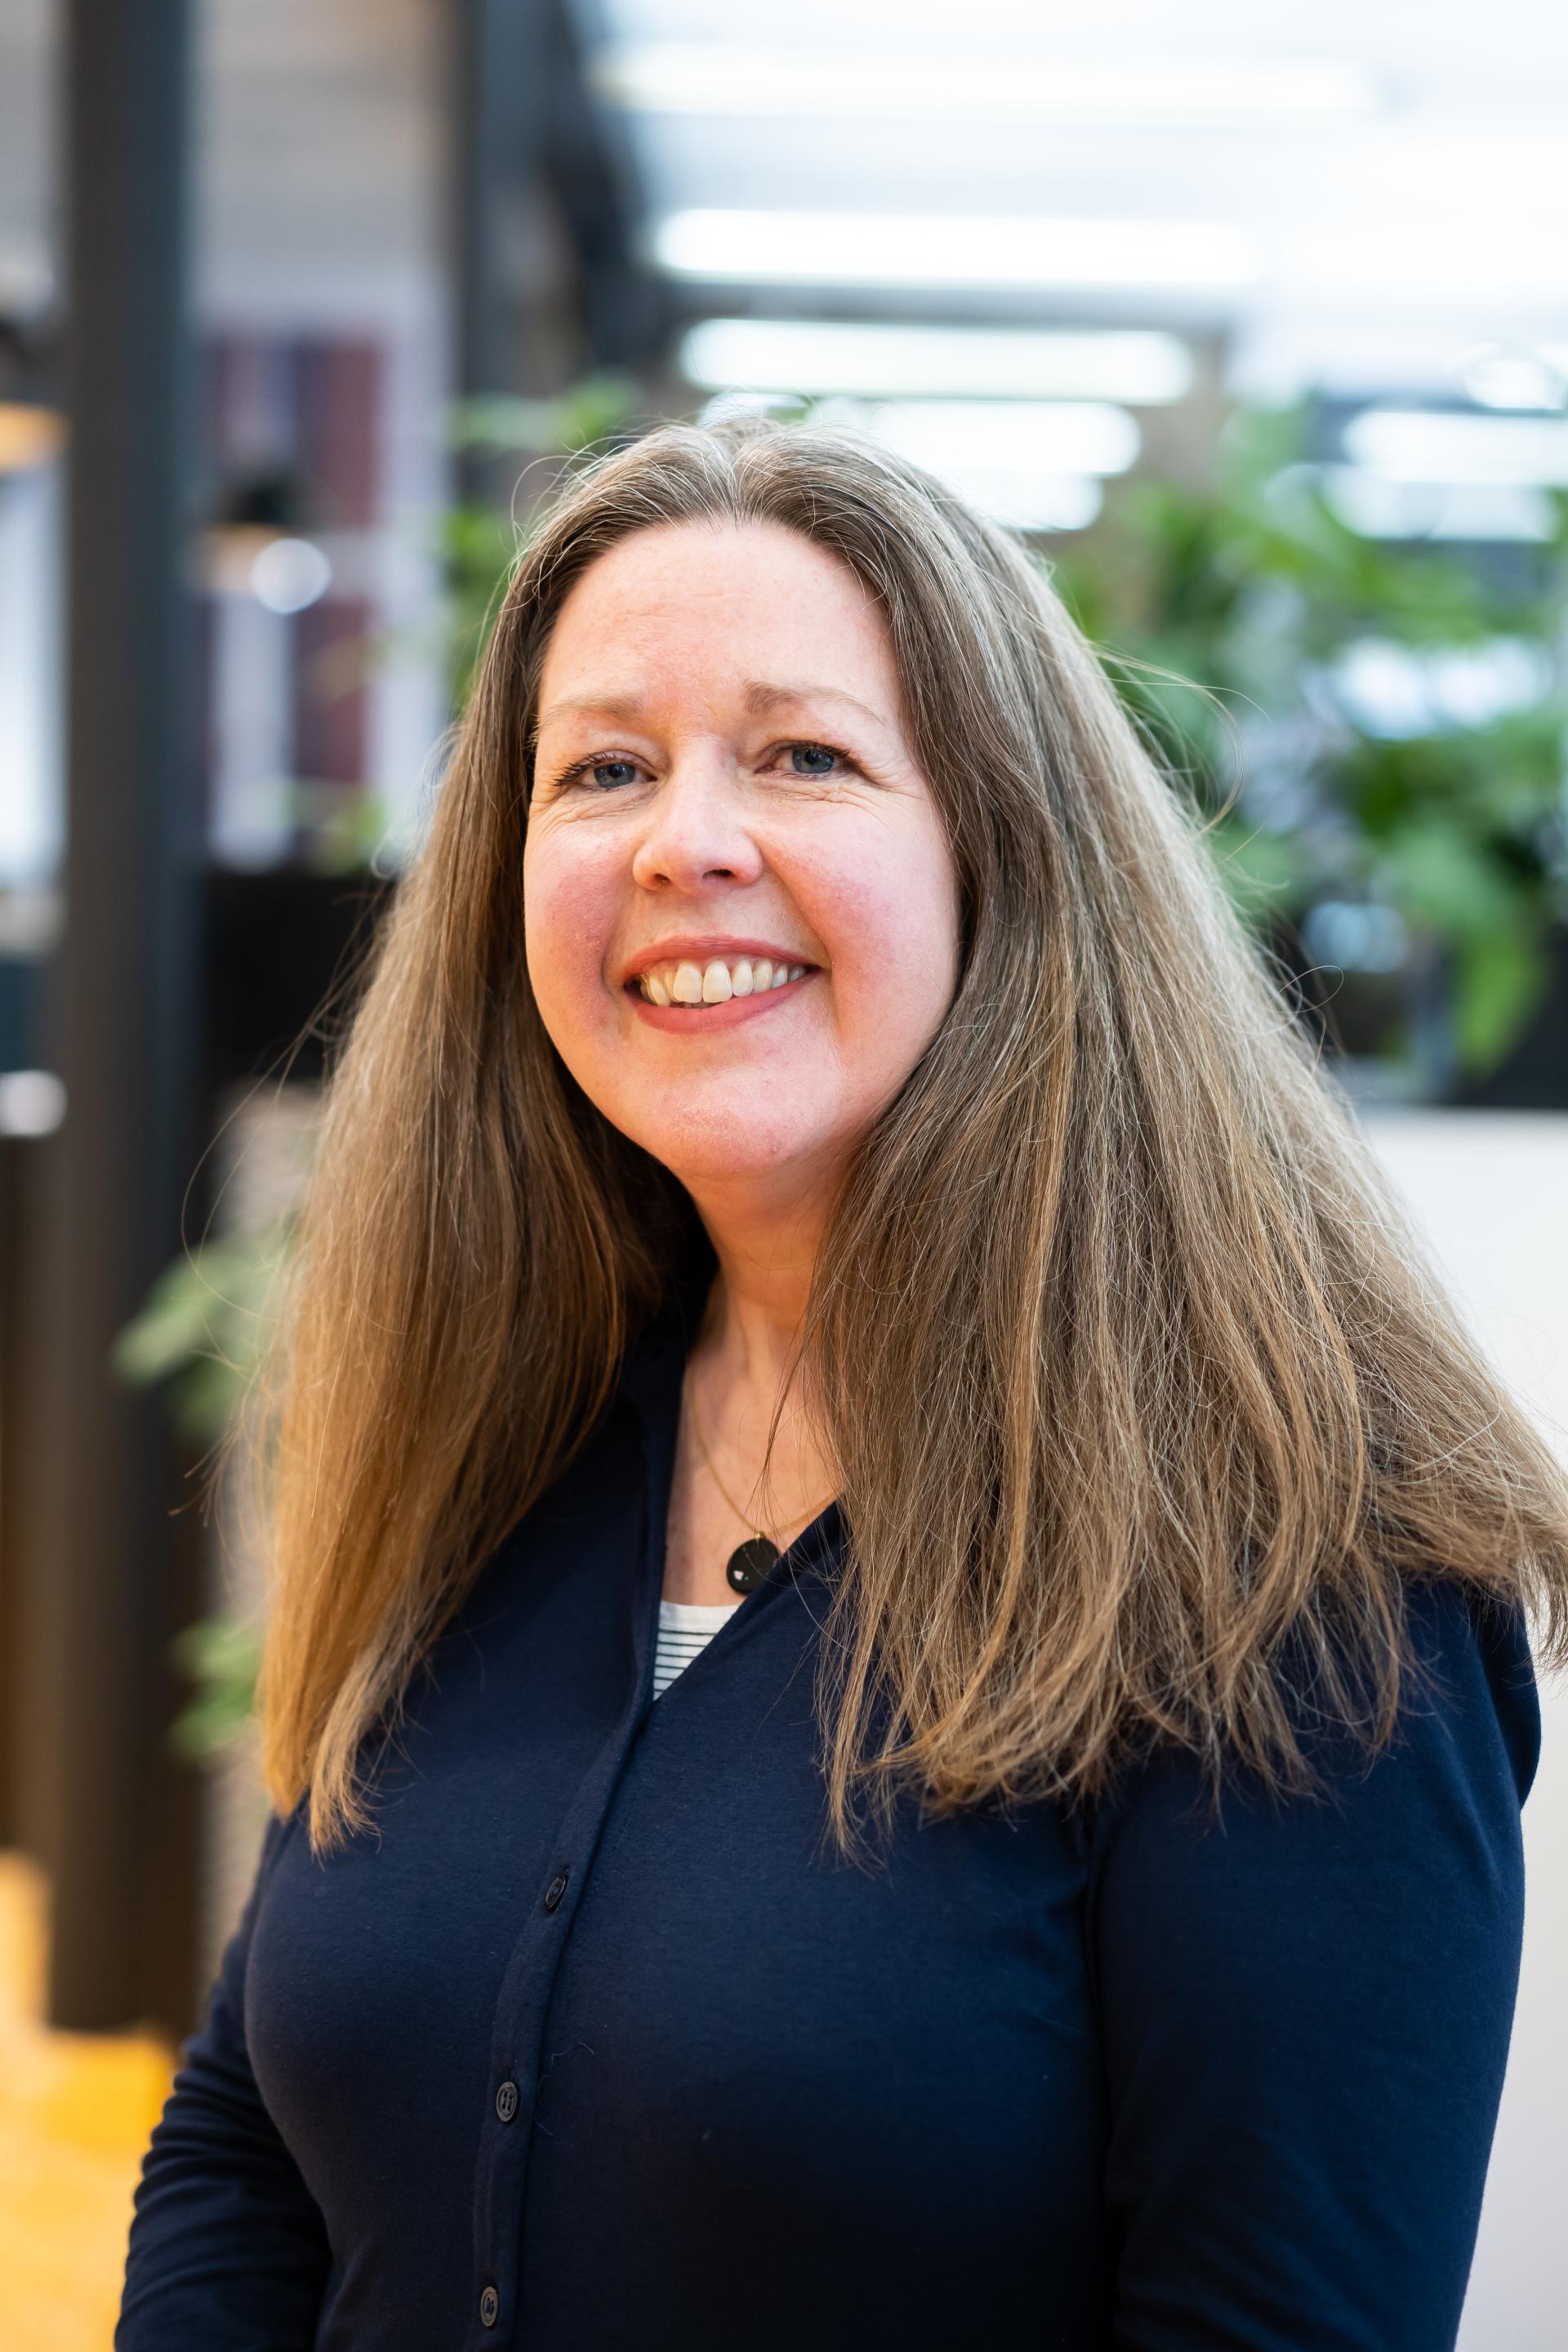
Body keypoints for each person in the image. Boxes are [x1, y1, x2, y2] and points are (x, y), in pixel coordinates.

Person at [118, 420, 1568, 2350]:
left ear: (1005, 855)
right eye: (603, 768)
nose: (682, 840)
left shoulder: (1304, 1585)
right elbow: (246, 2136)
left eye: (804, 756)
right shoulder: (495, 1444)